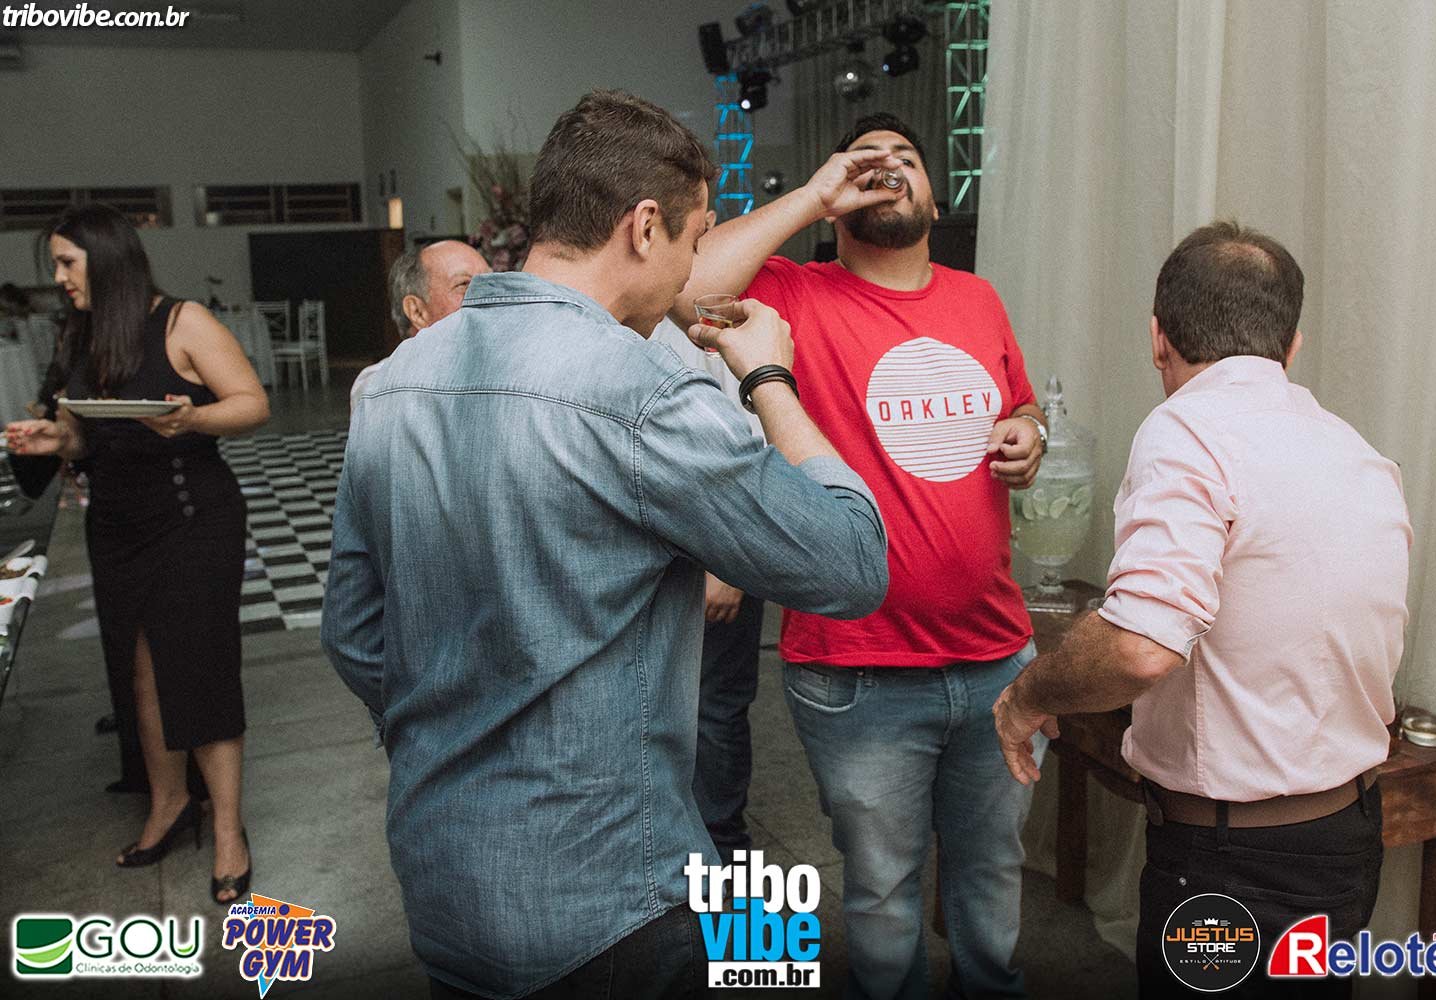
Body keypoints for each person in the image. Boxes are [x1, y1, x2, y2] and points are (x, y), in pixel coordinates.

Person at [322, 89, 889, 1000]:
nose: (696, 266)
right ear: (645, 226)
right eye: (697, 240)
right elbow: (851, 564)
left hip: (442, 872)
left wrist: (455, 741)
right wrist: (770, 377)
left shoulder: (390, 384)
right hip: (606, 897)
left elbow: (352, 631)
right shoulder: (643, 389)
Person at [673, 112, 1048, 999]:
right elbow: (687, 288)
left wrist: (1029, 433)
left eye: (905, 159)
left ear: (934, 196)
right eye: (864, 161)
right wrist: (813, 194)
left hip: (997, 658)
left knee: (993, 878)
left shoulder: (978, 298)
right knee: (882, 895)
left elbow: (1023, 404)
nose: (886, 170)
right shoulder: (796, 295)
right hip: (859, 671)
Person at [993, 222, 1410, 998]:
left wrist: (1027, 695)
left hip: (1234, 862)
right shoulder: (1358, 451)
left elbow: (1140, 646)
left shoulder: (1188, 428)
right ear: (1291, 346)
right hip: (1348, 836)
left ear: (1158, 339)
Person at [4, 203, 270, 904]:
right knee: (141, 674)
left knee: (200, 670)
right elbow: (81, 433)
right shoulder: (81, 334)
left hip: (193, 518)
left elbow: (251, 403)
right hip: (117, 525)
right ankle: (168, 803)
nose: (59, 277)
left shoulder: (182, 322)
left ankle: (229, 833)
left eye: (67, 262)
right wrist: (54, 440)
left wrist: (193, 417)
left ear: (107, 259)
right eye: (56, 264)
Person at [651, 319, 766, 862]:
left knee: (714, 711)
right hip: (642, 547)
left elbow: (751, 448)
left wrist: (729, 567)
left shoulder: (711, 320)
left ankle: (724, 862)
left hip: (715, 550)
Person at [350, 239, 492, 406]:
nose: (490, 293)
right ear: (417, 312)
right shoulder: (377, 386)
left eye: (491, 281)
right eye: (463, 284)